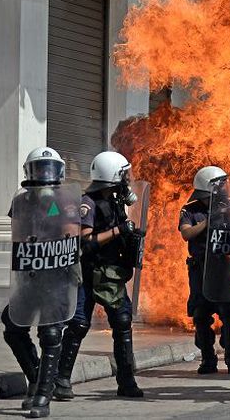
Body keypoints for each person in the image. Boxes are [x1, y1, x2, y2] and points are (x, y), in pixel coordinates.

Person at [54, 152, 145, 400]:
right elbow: (85, 242)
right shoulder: (89, 203)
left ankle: (126, 381)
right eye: (124, 173)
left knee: (123, 322)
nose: (128, 178)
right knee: (79, 324)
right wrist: (118, 231)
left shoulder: (115, 200)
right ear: (114, 175)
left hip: (111, 274)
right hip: (88, 272)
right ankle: (60, 380)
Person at [2, 147, 79, 418]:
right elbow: (19, 233)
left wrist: (54, 217)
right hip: (32, 276)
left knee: (51, 333)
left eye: (48, 168)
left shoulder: (65, 200)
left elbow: (71, 232)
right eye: (39, 168)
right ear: (29, 171)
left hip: (56, 277)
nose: (44, 174)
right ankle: (36, 379)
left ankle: (43, 397)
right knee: (12, 326)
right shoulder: (21, 201)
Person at [179, 166, 230, 375]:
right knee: (200, 315)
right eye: (219, 185)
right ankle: (207, 359)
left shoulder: (229, 208)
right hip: (200, 271)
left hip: (223, 268)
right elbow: (186, 233)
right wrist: (208, 221)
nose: (223, 188)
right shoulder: (191, 210)